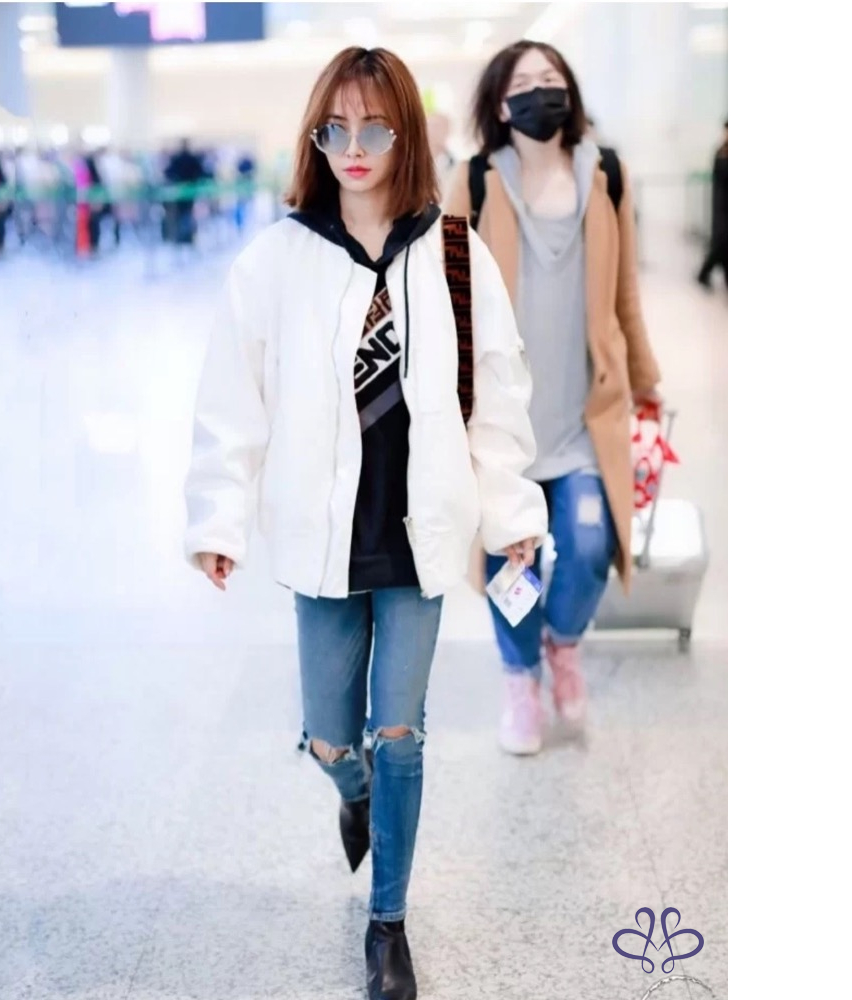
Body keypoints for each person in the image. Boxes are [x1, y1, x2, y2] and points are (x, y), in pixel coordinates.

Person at [183, 46, 547, 1000]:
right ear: (316, 138)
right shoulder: (277, 259)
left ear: (405, 134)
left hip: (420, 536)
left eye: (374, 128)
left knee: (401, 735)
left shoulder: (453, 252)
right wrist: (219, 516)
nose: (354, 146)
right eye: (335, 128)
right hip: (324, 540)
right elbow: (232, 396)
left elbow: (497, 398)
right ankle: (352, 791)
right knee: (332, 737)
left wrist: (511, 512)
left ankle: (388, 927)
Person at [445, 40, 662, 757]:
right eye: (524, 82)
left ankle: (562, 644)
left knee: (593, 544)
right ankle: (521, 681)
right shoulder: (474, 181)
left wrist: (646, 378)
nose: (541, 91)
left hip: (583, 420)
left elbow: (625, 291)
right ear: (501, 104)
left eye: (552, 79)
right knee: (511, 560)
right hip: (503, 429)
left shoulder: (606, 175)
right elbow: (446, 296)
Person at [697, 120, 727, 289]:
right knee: (721, 242)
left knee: (725, 244)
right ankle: (703, 273)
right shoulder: (721, 152)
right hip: (721, 205)